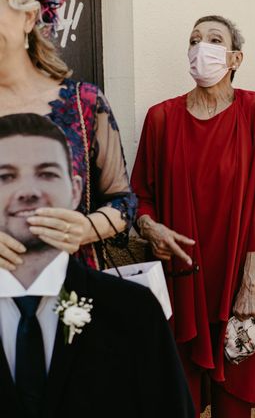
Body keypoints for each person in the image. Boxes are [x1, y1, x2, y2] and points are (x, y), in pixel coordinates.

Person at [130, 15, 255, 417]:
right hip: (182, 275)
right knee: (180, 395)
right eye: (195, 40)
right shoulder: (161, 118)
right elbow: (139, 198)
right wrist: (150, 226)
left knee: (235, 393)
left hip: (240, 271)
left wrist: (250, 283)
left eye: (215, 40)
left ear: (235, 57)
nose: (202, 48)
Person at [0, 113, 194, 418]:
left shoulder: (134, 312)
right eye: (5, 176)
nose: (27, 192)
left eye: (47, 173)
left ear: (75, 189)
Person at [0, 0, 136, 270]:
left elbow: (122, 200)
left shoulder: (84, 102)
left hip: (72, 292)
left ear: (28, 17)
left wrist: (87, 229)